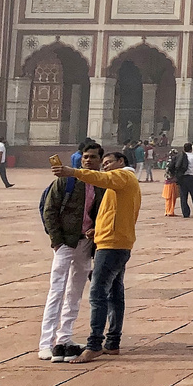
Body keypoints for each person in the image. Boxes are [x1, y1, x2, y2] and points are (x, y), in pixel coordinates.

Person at [52, 149, 140, 362]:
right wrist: (97, 230)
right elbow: (114, 214)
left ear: (121, 161)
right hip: (117, 241)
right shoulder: (120, 184)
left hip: (111, 246)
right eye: (106, 163)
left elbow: (101, 178)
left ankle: (94, 344)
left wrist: (73, 171)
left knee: (98, 294)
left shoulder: (124, 176)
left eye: (110, 162)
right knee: (114, 294)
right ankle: (112, 343)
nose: (106, 166)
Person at [40, 142, 105, 362]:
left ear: (100, 161)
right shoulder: (66, 181)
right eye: (85, 156)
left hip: (86, 242)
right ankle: (45, 343)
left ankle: (64, 337)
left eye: (93, 157)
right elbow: (50, 211)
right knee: (57, 290)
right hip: (65, 242)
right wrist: (56, 241)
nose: (88, 160)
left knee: (75, 292)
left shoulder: (100, 184)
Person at [162, 149, 181, 217]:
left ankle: (167, 211)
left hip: (167, 182)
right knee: (172, 198)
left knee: (168, 198)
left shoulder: (168, 162)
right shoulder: (173, 162)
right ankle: (170, 211)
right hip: (172, 182)